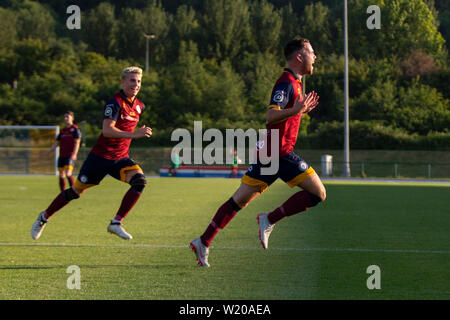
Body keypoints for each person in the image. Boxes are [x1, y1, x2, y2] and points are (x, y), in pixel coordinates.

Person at [190, 39, 325, 267]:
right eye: (312, 52)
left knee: (238, 201)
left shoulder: (296, 83)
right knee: (318, 194)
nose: (316, 56)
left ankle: (203, 241)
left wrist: (298, 111)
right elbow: (270, 116)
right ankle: (268, 219)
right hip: (279, 154)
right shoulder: (286, 83)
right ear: (299, 56)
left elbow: (282, 118)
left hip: (273, 154)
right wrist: (296, 110)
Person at [31, 66, 152, 240]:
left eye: (139, 81)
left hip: (120, 158)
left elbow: (125, 128)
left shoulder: (140, 106)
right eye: (132, 80)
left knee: (140, 182)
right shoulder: (115, 102)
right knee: (75, 192)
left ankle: (116, 223)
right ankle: (44, 217)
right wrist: (135, 134)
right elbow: (107, 130)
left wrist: (137, 131)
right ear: (123, 82)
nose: (136, 84)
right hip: (100, 158)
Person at [44, 111, 81, 191]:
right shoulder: (62, 131)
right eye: (64, 117)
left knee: (68, 173)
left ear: (72, 118)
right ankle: (63, 193)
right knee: (61, 175)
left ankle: (74, 191)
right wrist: (48, 151)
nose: (65, 118)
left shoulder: (75, 129)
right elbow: (56, 143)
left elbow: (77, 142)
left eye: (67, 117)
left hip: (70, 155)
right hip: (62, 156)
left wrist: (74, 154)